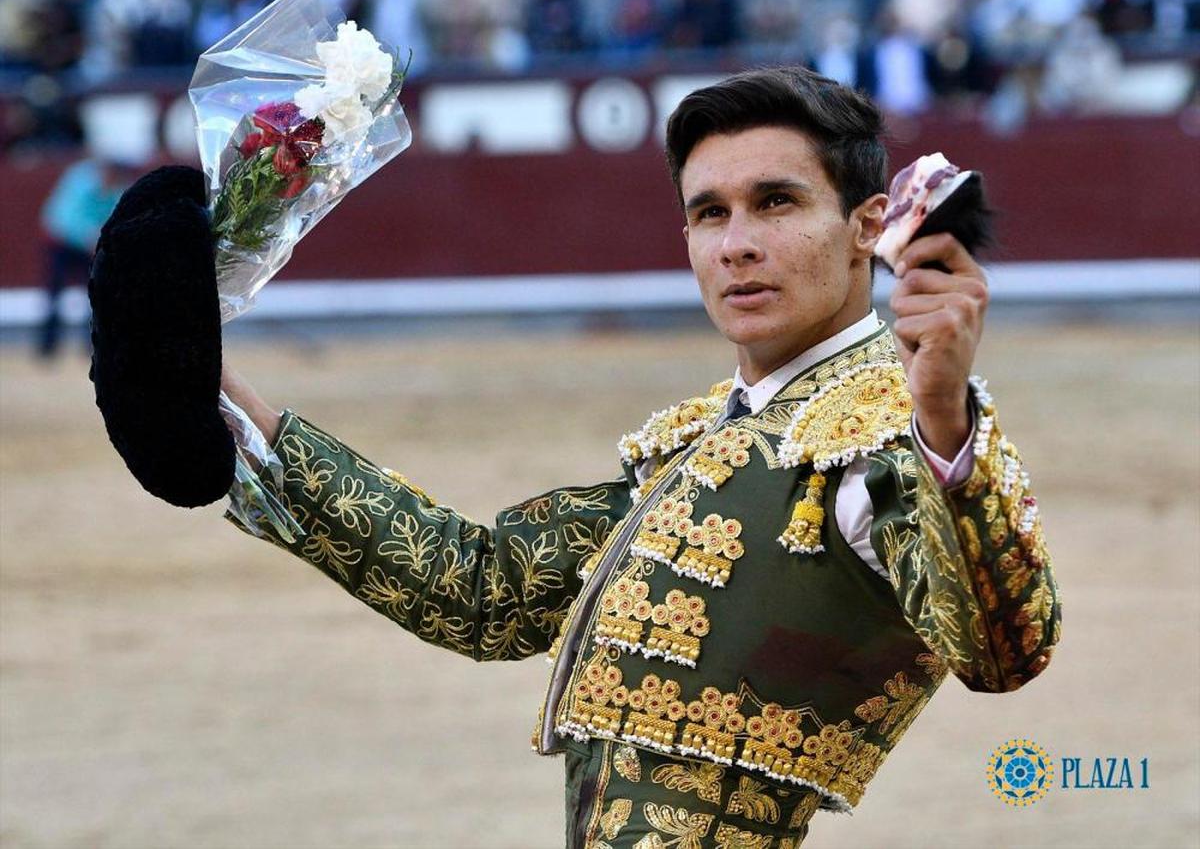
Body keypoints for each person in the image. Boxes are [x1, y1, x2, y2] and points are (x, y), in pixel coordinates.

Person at [220, 67, 1060, 847]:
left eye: (775, 203)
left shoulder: (886, 435)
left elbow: (1002, 648)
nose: (736, 245)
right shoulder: (700, 441)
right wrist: (217, 389)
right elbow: (482, 593)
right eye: (709, 213)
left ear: (865, 229)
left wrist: (945, 418)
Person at [37, 156, 133, 358]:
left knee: (96, 295)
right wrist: (89, 237)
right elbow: (62, 219)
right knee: (55, 294)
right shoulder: (80, 183)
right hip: (61, 244)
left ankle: (90, 345)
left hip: (90, 245)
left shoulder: (116, 188)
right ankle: (48, 345)